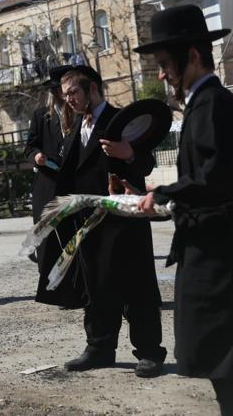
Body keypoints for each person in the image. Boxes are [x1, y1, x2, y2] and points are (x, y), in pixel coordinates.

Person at [134, 4, 233, 413]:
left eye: (164, 64)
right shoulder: (201, 104)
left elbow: (215, 178)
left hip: (219, 257)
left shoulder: (212, 104)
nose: (160, 74)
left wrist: (163, 192)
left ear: (193, 55)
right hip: (208, 250)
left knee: (220, 356)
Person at [53, 66, 166, 378]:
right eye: (65, 96)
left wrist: (129, 153)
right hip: (89, 222)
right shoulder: (77, 127)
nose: (69, 101)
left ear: (92, 89)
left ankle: (149, 352)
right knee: (97, 286)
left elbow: (146, 162)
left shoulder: (122, 118)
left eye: (73, 93)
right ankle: (99, 347)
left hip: (124, 220)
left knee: (137, 286)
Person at [25, 66, 80, 280]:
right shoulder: (41, 115)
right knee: (47, 238)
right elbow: (29, 147)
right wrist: (37, 156)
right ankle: (52, 283)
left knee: (71, 236)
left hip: (72, 182)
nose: (62, 95)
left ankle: (75, 284)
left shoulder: (78, 113)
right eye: (58, 90)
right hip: (47, 182)